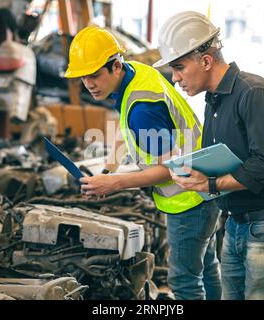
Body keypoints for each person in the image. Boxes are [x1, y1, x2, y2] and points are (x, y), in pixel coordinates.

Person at [154, 11, 264, 300]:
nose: (174, 79)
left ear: (205, 60)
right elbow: (226, 156)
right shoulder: (215, 100)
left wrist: (210, 184)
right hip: (237, 223)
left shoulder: (255, 93)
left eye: (179, 68)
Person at [64, 25, 221, 300]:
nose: (88, 84)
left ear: (115, 66)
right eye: (83, 78)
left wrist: (113, 184)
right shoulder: (136, 74)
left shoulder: (143, 111)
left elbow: (171, 170)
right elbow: (124, 126)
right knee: (207, 268)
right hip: (205, 184)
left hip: (188, 200)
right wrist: (107, 170)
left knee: (184, 281)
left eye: (94, 75)